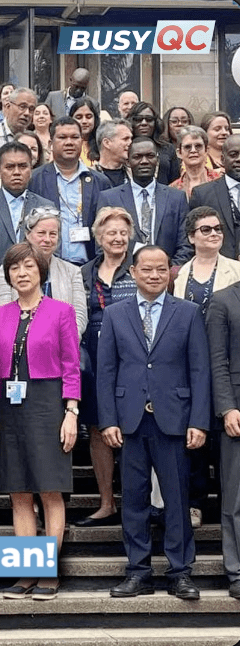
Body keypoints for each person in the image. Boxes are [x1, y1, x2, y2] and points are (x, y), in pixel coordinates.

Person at [97, 245, 210, 600]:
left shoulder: (188, 313)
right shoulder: (115, 314)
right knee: (133, 499)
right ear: (133, 272)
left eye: (161, 269)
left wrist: (199, 421)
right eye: (147, 269)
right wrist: (107, 420)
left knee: (176, 498)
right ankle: (138, 571)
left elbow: (199, 370)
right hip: (129, 419)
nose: (154, 275)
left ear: (169, 272)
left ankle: (180, 572)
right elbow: (106, 371)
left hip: (174, 418)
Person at [0, 241, 80, 601]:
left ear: (41, 271)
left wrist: (71, 413)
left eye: (28, 266)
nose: (21, 273)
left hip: (48, 403)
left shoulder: (61, 311)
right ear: (8, 275)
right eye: (14, 268)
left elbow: (72, 366)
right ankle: (26, 570)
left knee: (50, 489)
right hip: (11, 408)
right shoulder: (0, 315)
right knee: (19, 492)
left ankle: (48, 571)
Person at [173, 206, 240, 528]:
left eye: (217, 229)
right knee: (195, 429)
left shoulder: (236, 270)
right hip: (190, 362)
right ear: (191, 237)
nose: (213, 234)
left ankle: (228, 500)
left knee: (226, 437)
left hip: (226, 360)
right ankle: (196, 500)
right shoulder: (180, 275)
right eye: (205, 229)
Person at [75, 207, 137, 527]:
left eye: (123, 233)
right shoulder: (84, 273)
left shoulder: (139, 268)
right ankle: (106, 503)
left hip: (133, 358)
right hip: (95, 358)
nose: (117, 238)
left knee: (131, 426)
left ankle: (136, 504)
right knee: (98, 428)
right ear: (98, 237)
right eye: (111, 232)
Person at [0, 141, 54, 291]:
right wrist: (4, 283)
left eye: (23, 166)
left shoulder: (45, 206)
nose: (16, 172)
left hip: (36, 290)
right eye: (9, 167)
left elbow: (52, 251)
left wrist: (31, 282)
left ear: (31, 170)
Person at [0, 206, 88, 339]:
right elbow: (3, 314)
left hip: (63, 343)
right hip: (19, 343)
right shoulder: (9, 269)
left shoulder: (72, 272)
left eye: (53, 234)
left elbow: (79, 315)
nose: (47, 239)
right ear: (28, 234)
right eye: (41, 233)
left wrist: (65, 342)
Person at [28, 117, 112, 265]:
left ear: (82, 141)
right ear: (50, 144)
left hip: (90, 265)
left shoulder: (100, 181)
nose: (69, 142)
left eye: (75, 137)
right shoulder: (35, 179)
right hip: (47, 263)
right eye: (62, 137)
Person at [96, 137, 191, 266]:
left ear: (157, 160)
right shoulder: (109, 198)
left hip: (167, 273)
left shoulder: (176, 198)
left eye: (150, 156)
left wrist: (167, 270)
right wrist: (124, 272)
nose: (144, 161)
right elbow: (101, 245)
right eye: (137, 157)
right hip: (123, 273)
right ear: (128, 162)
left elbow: (185, 245)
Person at [206, 272, 240, 599]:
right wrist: (227, 407)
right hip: (237, 410)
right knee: (235, 497)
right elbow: (216, 362)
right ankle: (237, 571)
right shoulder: (223, 301)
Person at [190, 134, 240, 260]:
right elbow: (191, 237)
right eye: (233, 154)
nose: (239, 159)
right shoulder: (202, 194)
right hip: (216, 266)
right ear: (223, 159)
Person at [126, 102, 180, 185]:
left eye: (149, 119)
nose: (144, 123)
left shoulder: (167, 148)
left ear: (156, 122)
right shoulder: (125, 147)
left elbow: (175, 180)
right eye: (138, 119)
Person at [171, 125, 222, 199]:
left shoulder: (220, 181)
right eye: (187, 147)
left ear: (206, 150)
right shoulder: (173, 189)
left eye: (198, 146)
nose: (193, 150)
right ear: (179, 153)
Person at [93, 119, 133, 188]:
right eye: (125, 139)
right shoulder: (88, 177)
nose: (130, 143)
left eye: (131, 139)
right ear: (107, 143)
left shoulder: (134, 175)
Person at [70, 97, 100, 167]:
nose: (84, 121)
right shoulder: (65, 144)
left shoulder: (102, 145)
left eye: (88, 117)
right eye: (79, 117)